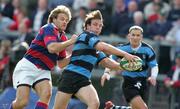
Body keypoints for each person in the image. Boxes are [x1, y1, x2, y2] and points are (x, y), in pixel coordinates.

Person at [53, 10, 137, 109]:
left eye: (100, 25)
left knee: (94, 103)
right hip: (70, 77)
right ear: (88, 26)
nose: (98, 27)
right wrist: (125, 54)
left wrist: (123, 66)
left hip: (83, 80)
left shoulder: (94, 47)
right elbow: (103, 47)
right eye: (95, 24)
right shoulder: (86, 35)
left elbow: (106, 62)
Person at [9, 5, 78, 109]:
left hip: (43, 70)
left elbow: (61, 63)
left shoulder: (63, 37)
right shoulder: (48, 28)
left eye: (67, 20)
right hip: (28, 66)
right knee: (22, 102)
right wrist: (71, 42)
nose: (65, 22)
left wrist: (76, 55)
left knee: (46, 94)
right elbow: (52, 48)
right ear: (54, 19)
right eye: (62, 19)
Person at [101, 25, 159, 109]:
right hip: (129, 83)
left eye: (138, 35)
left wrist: (153, 76)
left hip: (143, 83)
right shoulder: (122, 49)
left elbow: (154, 66)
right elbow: (110, 60)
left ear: (141, 37)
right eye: (133, 35)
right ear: (129, 36)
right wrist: (106, 72)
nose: (135, 37)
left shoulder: (148, 49)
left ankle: (113, 108)